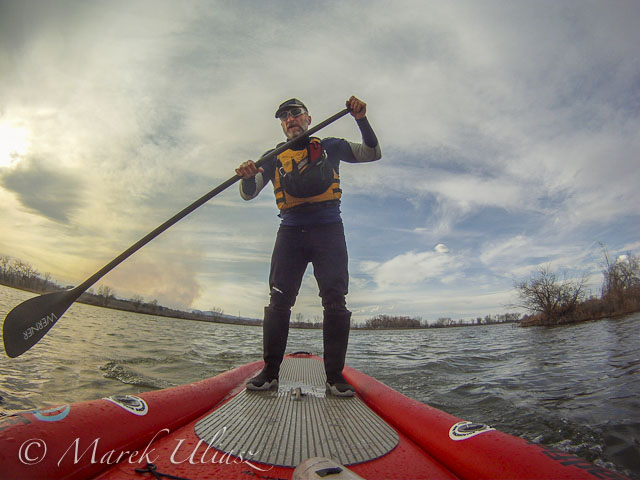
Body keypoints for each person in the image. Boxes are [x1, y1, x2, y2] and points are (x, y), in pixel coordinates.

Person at [235, 96, 381, 397]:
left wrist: (361, 119)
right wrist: (248, 176)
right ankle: (270, 372)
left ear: (308, 118)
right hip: (290, 231)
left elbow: (371, 152)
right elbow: (248, 193)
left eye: (295, 114)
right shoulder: (273, 156)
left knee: (335, 300)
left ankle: (334, 376)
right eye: (284, 117)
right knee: (279, 299)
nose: (290, 119)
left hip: (328, 230)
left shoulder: (330, 146)